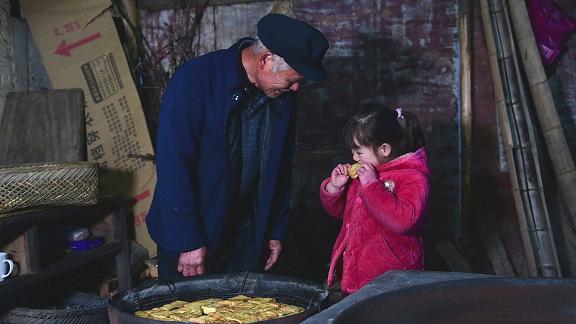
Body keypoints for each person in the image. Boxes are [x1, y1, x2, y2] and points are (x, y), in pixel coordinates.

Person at [147, 13, 329, 279]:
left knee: (243, 313)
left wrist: (275, 230)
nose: (296, 89)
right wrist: (187, 240)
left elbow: (281, 166)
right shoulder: (196, 80)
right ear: (265, 60)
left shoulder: (281, 96)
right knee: (186, 315)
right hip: (194, 233)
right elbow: (174, 164)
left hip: (245, 232)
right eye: (292, 80)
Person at [319, 104, 429, 294]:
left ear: (384, 149)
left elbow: (403, 221)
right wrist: (335, 188)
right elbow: (341, 212)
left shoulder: (413, 178)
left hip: (393, 283)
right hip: (356, 277)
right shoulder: (365, 174)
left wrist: (371, 186)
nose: (354, 157)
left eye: (359, 152)